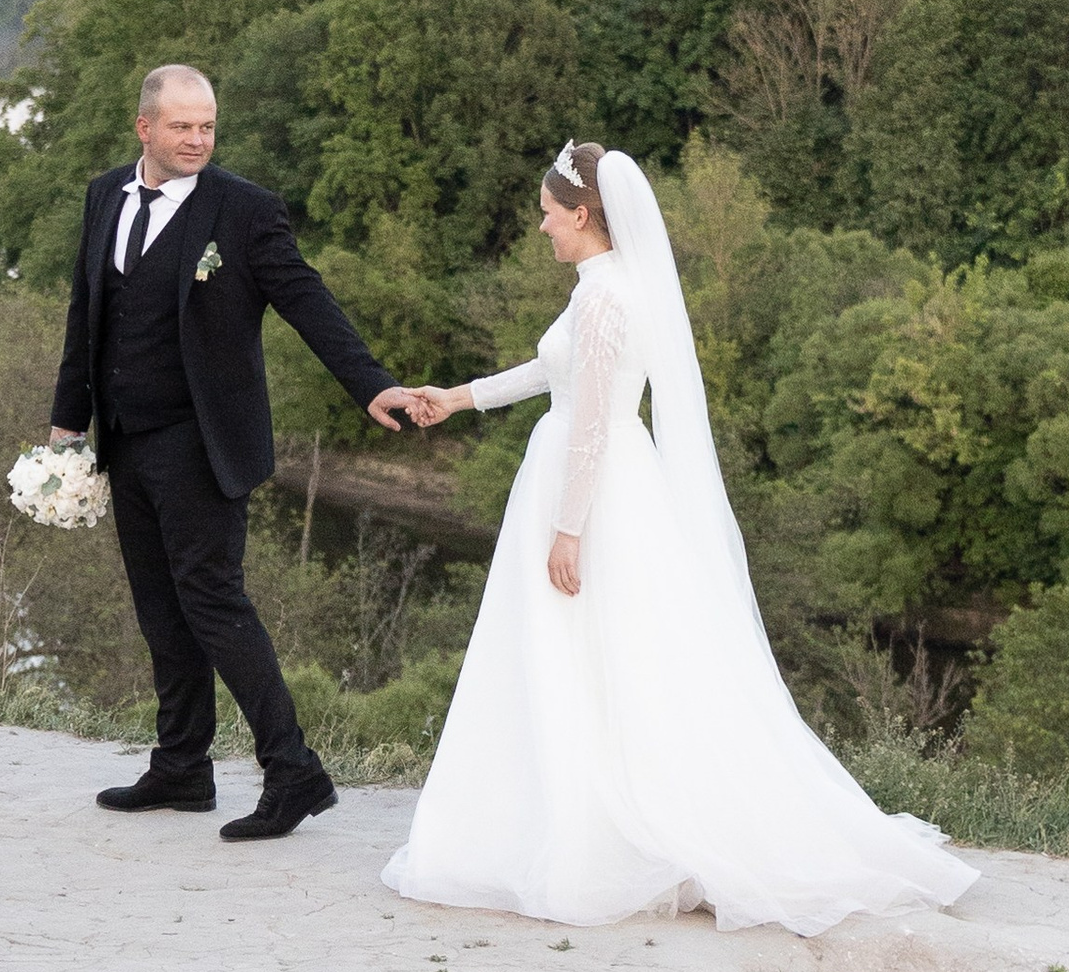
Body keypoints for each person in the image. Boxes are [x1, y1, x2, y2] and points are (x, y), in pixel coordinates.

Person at [383, 140, 978, 932]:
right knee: (589, 654)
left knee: (597, 647)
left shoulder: (606, 299)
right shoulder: (603, 287)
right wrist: (455, 398)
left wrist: (568, 530)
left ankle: (604, 830)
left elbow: (593, 418)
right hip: (593, 480)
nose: (541, 230)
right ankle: (570, 809)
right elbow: (549, 371)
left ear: (583, 214)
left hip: (587, 492)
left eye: (547, 216)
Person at [51, 63, 419, 840]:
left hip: (203, 442)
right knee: (162, 611)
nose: (197, 139)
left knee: (214, 603)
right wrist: (68, 424)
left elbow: (306, 299)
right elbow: (87, 314)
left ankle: (294, 773)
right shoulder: (103, 196)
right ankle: (182, 766)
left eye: (208, 125)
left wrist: (371, 384)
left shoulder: (245, 211)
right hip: (126, 436)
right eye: (182, 126)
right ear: (144, 127)